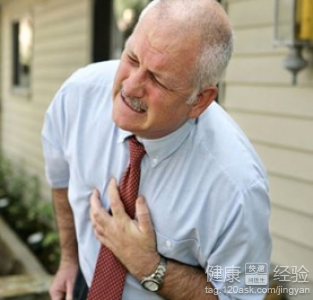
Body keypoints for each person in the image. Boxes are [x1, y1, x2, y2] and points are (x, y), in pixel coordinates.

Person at [42, 0, 271, 299]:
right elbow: (60, 177)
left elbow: (240, 296)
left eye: (157, 79)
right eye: (133, 59)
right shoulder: (78, 97)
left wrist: (150, 266)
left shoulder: (237, 189)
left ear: (200, 100)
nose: (131, 86)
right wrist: (70, 261)